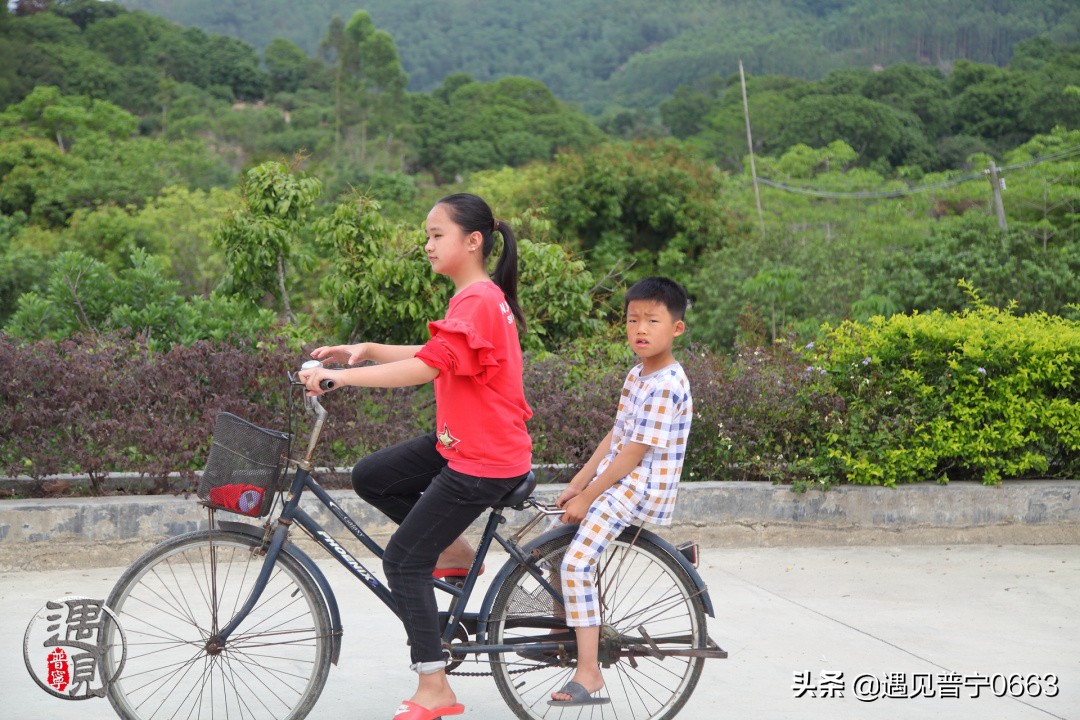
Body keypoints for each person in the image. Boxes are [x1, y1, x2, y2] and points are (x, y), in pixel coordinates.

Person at [298, 193, 532, 720]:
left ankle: (435, 687)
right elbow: (437, 356)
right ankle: (454, 551)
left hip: (484, 458)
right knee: (372, 477)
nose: (427, 245)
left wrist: (341, 378)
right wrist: (366, 351)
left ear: (473, 242)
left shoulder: (477, 300)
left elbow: (426, 369)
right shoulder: (475, 296)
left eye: (436, 235)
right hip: (465, 441)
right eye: (427, 235)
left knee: (403, 561)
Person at [548, 276, 692, 707]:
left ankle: (589, 672)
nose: (640, 329)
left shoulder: (666, 384)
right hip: (617, 482)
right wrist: (577, 484)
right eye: (632, 320)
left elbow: (633, 454)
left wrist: (589, 496)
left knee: (575, 564)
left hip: (637, 488)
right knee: (553, 543)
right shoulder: (638, 374)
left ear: (677, 328)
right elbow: (616, 436)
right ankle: (566, 632)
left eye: (652, 320)